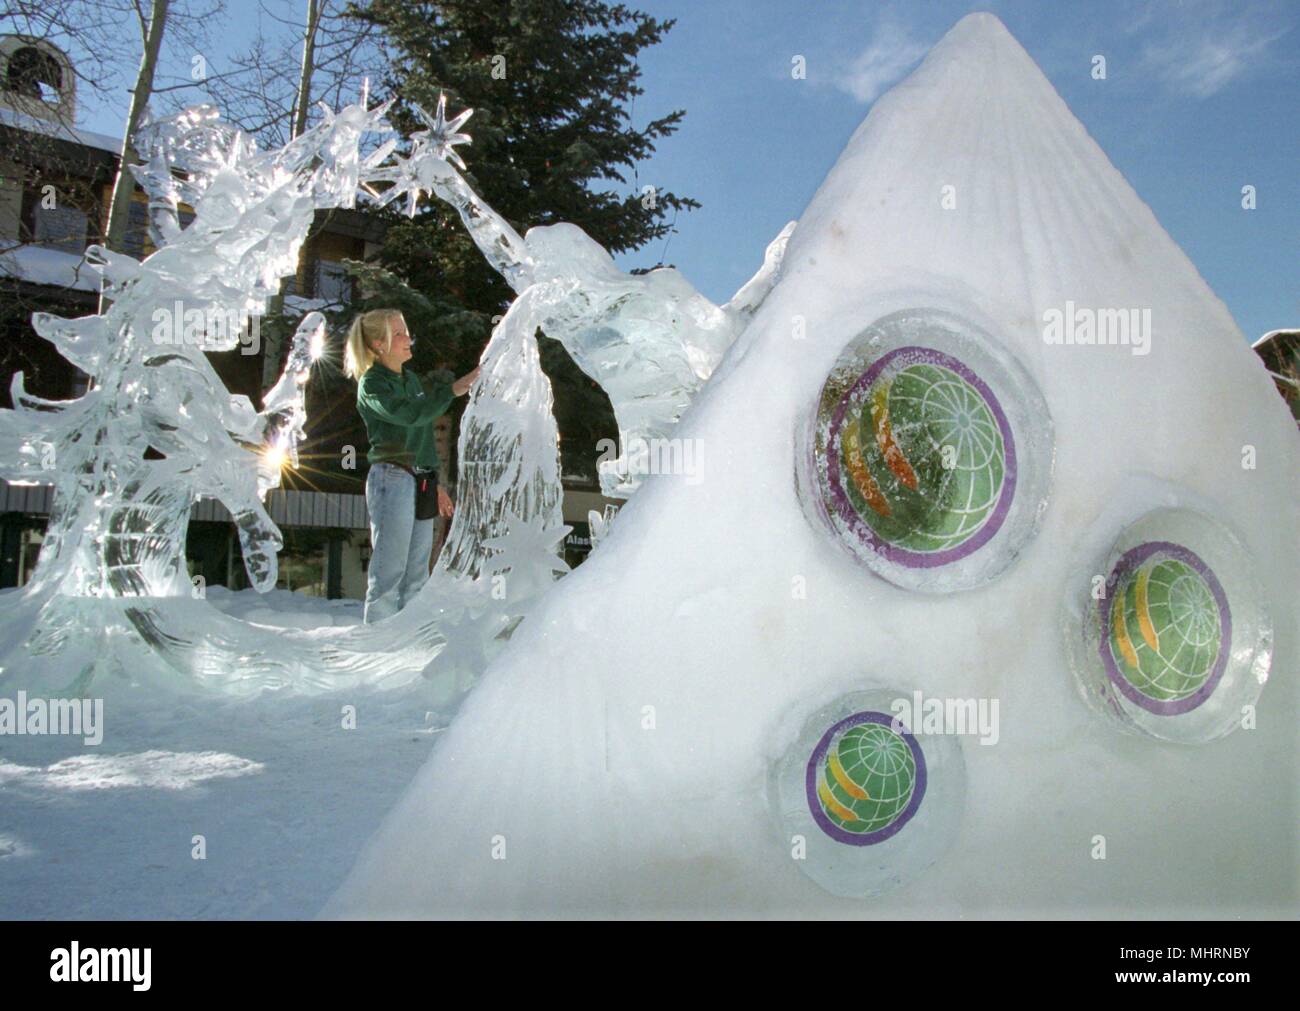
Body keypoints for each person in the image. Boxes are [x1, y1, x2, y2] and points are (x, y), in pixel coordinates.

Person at [343, 308, 479, 623]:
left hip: (420, 480)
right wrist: (454, 389)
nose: (408, 339)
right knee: (390, 571)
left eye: (406, 331)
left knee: (417, 572)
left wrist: (436, 484)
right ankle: (378, 639)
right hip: (391, 478)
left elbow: (423, 437)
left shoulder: (411, 379)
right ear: (378, 344)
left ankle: (408, 639)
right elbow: (410, 415)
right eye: (399, 334)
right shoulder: (373, 384)